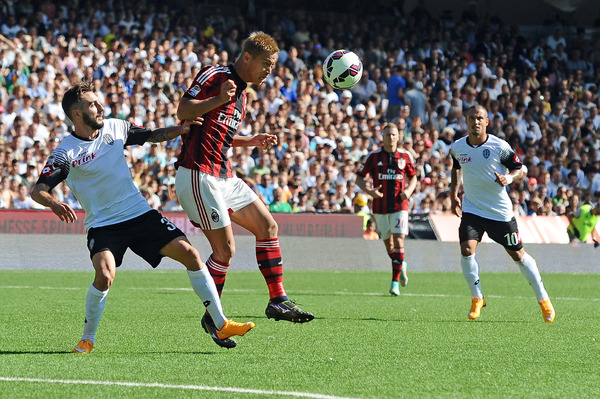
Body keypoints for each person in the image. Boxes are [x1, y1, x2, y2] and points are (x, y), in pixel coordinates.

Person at [31, 81, 254, 353]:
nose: (100, 106)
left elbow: (151, 135)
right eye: (92, 104)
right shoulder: (66, 152)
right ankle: (87, 338)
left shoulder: (115, 127)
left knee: (192, 255)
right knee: (104, 275)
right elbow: (38, 190)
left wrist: (179, 130)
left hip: (139, 214)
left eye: (98, 101)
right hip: (103, 225)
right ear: (76, 114)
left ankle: (220, 323)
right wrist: (54, 203)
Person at [175, 31, 314, 326]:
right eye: (266, 64)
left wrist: (249, 140)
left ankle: (277, 300)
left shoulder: (242, 94)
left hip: (223, 173)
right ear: (247, 57)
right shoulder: (215, 75)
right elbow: (183, 111)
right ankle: (213, 318)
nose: (269, 71)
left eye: (273, 67)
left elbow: (219, 135)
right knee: (224, 251)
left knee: (267, 226)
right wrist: (215, 98)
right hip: (199, 173)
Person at [449, 105, 555, 322]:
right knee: (466, 250)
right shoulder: (458, 147)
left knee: (518, 255)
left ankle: (543, 299)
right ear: (466, 121)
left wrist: (509, 178)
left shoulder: (499, 146)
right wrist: (454, 194)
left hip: (499, 213)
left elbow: (520, 168)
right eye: (471, 118)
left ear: (487, 121)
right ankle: (477, 297)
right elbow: (456, 168)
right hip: (472, 209)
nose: (475, 122)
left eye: (480, 118)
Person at [356, 123, 417, 296]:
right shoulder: (373, 156)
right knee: (389, 245)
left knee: (398, 241)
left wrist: (409, 191)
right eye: (387, 134)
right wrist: (369, 191)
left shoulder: (406, 156)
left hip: (400, 205)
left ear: (399, 137)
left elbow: (413, 178)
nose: (390, 137)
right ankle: (401, 263)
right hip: (380, 207)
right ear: (382, 136)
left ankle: (394, 283)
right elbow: (358, 178)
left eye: (393, 135)